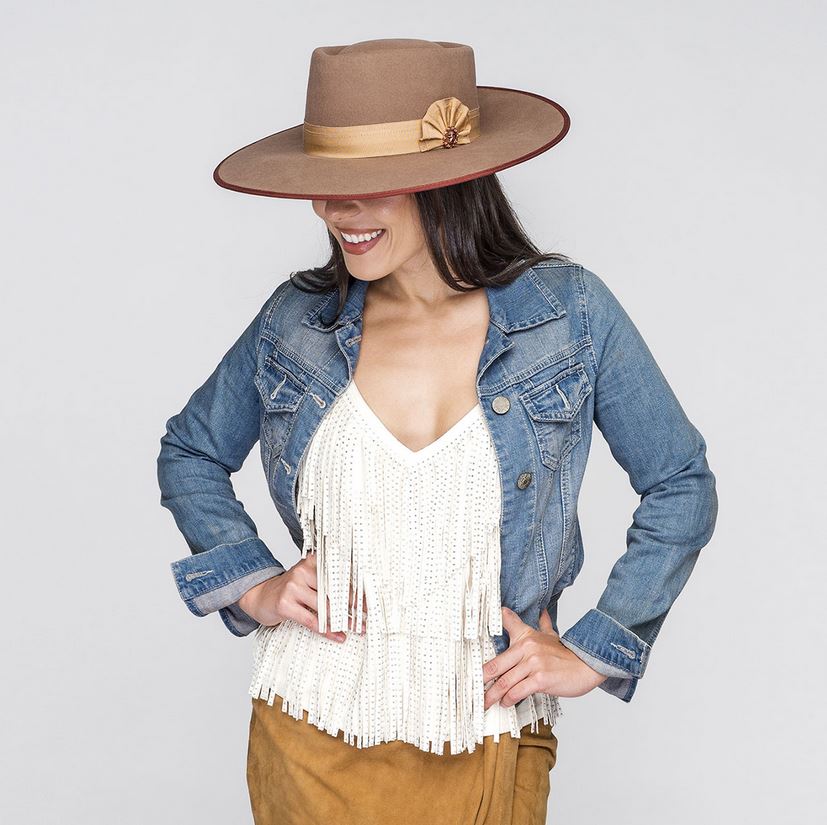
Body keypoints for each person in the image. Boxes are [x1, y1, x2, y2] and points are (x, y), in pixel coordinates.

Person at [157, 38, 718, 825]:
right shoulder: (298, 323)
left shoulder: (569, 315)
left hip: (487, 726)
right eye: (326, 189)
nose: (336, 212)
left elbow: (679, 482)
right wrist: (254, 584)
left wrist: (599, 647)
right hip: (308, 729)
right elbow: (190, 450)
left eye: (366, 188)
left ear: (447, 180)